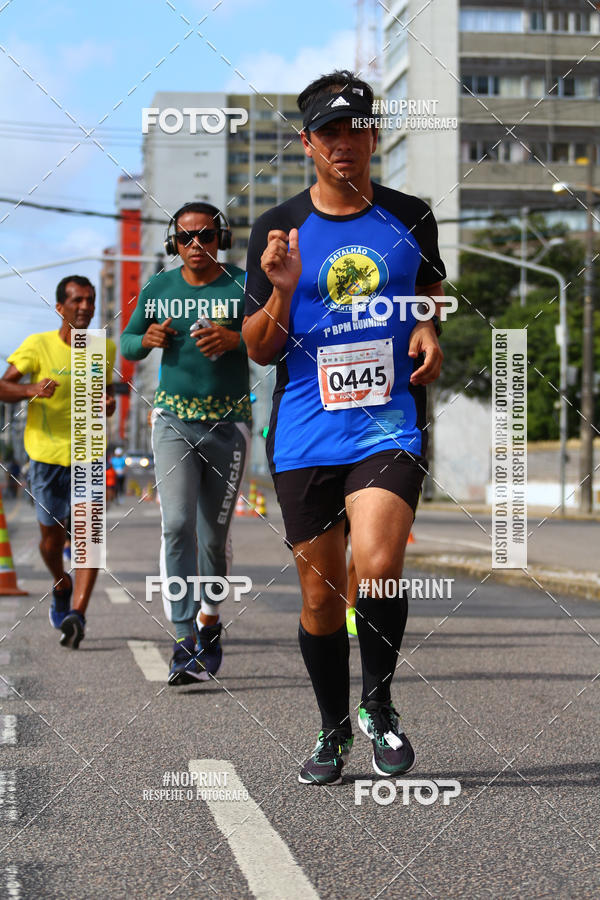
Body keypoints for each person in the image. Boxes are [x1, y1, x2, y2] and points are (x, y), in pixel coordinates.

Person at [242, 70, 445, 785]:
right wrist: (285, 287)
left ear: (373, 135)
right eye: (329, 132)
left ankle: (380, 708)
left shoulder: (411, 216)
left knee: (380, 566)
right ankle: (332, 729)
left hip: (387, 424)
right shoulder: (276, 228)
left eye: (356, 129)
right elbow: (260, 349)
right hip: (303, 432)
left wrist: (427, 329)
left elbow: (428, 288)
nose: (344, 144)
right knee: (322, 597)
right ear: (307, 143)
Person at [121, 202, 251, 685]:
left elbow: (270, 339)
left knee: (213, 536)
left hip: (230, 424)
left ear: (223, 238)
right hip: (173, 421)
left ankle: (210, 621)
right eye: (186, 238)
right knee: (177, 525)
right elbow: (128, 343)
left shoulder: (240, 283)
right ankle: (182, 639)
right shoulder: (159, 287)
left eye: (207, 236)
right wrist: (147, 337)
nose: (196, 245)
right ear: (172, 244)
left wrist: (233, 339)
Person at [0, 275, 116, 648]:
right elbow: (3, 387)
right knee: (51, 541)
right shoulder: (38, 345)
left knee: (88, 540)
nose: (85, 307)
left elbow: (106, 390)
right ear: (60, 307)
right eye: (78, 300)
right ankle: (61, 582)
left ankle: (77, 615)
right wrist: (30, 389)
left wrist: (109, 402)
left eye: (90, 300)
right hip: (46, 456)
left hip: (89, 452)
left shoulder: (103, 347)